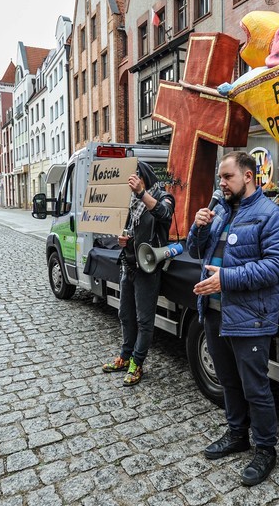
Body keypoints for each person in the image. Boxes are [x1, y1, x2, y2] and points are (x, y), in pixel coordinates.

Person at [186, 151, 279, 486]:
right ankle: (237, 435)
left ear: (249, 176)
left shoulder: (270, 215)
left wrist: (227, 278)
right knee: (228, 380)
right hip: (215, 312)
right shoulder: (219, 211)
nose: (221, 183)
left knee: (254, 387)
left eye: (227, 177)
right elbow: (195, 251)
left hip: (250, 317)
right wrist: (198, 228)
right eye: (220, 178)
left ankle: (265, 449)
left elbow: (278, 267)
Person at [101, 161, 174, 386]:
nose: (132, 181)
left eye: (135, 177)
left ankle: (137, 362)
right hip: (129, 264)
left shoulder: (164, 196)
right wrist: (124, 240)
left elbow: (163, 214)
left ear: (144, 177)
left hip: (148, 269)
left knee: (144, 320)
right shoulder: (131, 201)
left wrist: (142, 193)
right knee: (125, 315)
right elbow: (131, 231)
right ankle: (124, 356)